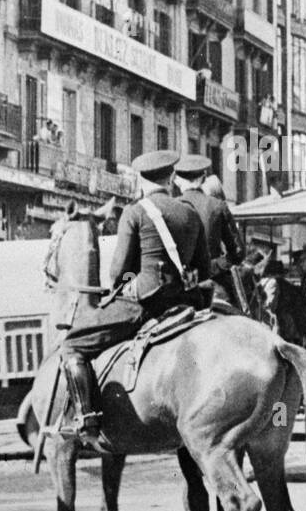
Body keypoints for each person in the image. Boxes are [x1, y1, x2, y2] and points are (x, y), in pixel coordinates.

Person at [58, 150, 211, 442]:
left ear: (141, 180)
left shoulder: (136, 212)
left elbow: (118, 272)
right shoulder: (189, 212)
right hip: (185, 303)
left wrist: (122, 285)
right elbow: (203, 267)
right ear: (170, 179)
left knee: (72, 345)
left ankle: (87, 418)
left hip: (146, 303)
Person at [173, 154, 243, 307]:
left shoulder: (170, 207)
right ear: (203, 178)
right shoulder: (218, 205)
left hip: (179, 287)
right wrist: (212, 267)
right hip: (214, 284)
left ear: (177, 181)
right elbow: (238, 252)